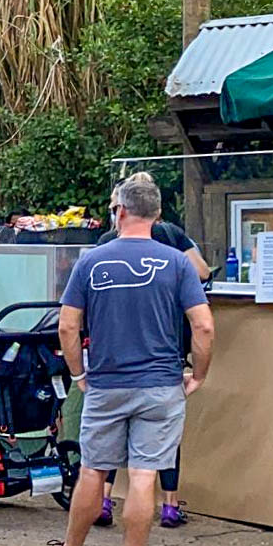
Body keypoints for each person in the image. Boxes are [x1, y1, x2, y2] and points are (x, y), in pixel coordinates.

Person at [43, 172, 213, 546]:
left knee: (93, 469)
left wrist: (79, 374)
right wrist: (199, 374)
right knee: (143, 474)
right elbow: (204, 326)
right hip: (161, 386)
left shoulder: (90, 261)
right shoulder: (178, 263)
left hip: (106, 384)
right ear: (157, 214)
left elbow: (67, 326)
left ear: (119, 211)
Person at [92, 207, 211, 528]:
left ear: (121, 211)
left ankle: (104, 500)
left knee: (111, 435)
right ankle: (170, 505)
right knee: (164, 437)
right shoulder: (171, 237)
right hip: (164, 352)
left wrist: (79, 372)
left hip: (114, 355)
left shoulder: (105, 243)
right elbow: (202, 273)